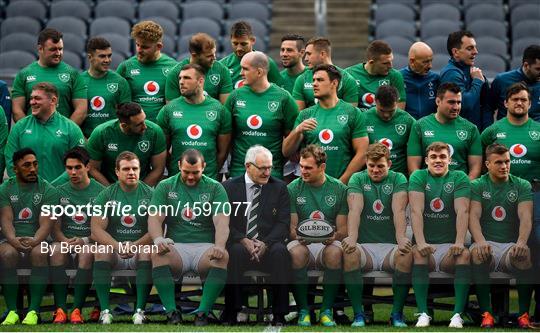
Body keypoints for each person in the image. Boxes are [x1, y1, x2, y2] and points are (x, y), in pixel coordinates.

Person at [148, 149, 230, 325]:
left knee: (222, 257)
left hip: (205, 247)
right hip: (176, 246)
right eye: (186, 172)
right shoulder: (166, 186)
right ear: (178, 166)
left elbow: (222, 221)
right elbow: (155, 217)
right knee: (157, 253)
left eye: (196, 172)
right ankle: (171, 312)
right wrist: (158, 239)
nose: (191, 177)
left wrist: (220, 245)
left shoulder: (215, 187)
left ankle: (202, 312)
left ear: (204, 167)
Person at [343, 143, 412, 327]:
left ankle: (396, 314)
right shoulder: (357, 178)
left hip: (390, 247)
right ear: (365, 162)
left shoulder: (399, 179)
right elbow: (355, 210)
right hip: (364, 247)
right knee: (349, 252)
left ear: (389, 163)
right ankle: (359, 315)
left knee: (405, 253)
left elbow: (398, 211)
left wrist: (401, 239)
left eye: (380, 166)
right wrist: (351, 237)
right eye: (371, 165)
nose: (375, 170)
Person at [221, 145, 291, 326]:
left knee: (280, 253)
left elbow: (283, 223)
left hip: (268, 243)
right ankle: (233, 311)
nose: (267, 172)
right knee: (234, 252)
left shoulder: (280, 187)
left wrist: (265, 243)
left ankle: (279, 314)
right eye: (262, 168)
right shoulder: (228, 187)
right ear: (248, 166)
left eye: (269, 168)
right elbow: (223, 222)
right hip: (239, 241)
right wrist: (242, 239)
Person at [469, 143, 534, 328]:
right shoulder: (478, 185)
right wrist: (480, 242)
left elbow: (526, 217)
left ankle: (523, 315)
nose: (504, 166)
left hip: (509, 246)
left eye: (507, 161)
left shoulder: (521, 184)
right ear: (487, 164)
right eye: (498, 162)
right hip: (485, 243)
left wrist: (522, 243)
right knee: (478, 255)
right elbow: (473, 217)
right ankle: (486, 314)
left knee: (524, 256)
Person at [409, 142, 471, 328]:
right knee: (418, 253)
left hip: (449, 247)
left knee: (465, 255)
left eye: (443, 157)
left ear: (450, 160)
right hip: (426, 244)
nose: (438, 160)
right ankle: (423, 314)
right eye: (434, 157)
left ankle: (457, 315)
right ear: (426, 160)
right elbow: (415, 211)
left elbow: (463, 211)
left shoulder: (459, 177)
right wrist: (420, 243)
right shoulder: (419, 176)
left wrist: (460, 242)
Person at [287, 144, 348, 327]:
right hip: (301, 242)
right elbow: (291, 228)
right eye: (301, 166)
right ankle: (304, 310)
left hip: (329, 242)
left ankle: (326, 310)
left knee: (335, 253)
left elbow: (344, 229)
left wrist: (334, 237)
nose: (302, 171)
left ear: (322, 167)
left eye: (308, 168)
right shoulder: (292, 188)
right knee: (296, 253)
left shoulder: (339, 189)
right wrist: (297, 237)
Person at [90, 152, 155, 324]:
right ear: (117, 172)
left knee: (147, 252)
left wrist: (135, 245)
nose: (131, 172)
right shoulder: (107, 195)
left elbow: (157, 229)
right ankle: (105, 311)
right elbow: (96, 230)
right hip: (115, 250)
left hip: (139, 248)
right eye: (126, 169)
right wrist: (117, 246)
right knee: (101, 251)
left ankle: (139, 311)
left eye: (135, 168)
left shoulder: (151, 194)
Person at [0, 149, 58, 325]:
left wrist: (35, 241)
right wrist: (12, 240)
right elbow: (6, 220)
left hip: (38, 238)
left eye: (35, 164)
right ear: (15, 168)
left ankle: (33, 311)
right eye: (26, 165)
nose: (32, 169)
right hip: (11, 239)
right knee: (7, 254)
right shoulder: (6, 188)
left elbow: (46, 224)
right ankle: (12, 311)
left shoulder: (47, 189)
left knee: (39, 253)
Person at [283, 64, 368, 184]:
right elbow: (286, 151)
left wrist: (341, 183)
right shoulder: (305, 115)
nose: (314, 84)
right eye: (313, 80)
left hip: (342, 185)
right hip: (310, 187)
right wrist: (297, 130)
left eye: (320, 80)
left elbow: (362, 153)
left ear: (334, 83)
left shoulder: (352, 113)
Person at [48, 147, 105, 324]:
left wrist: (84, 240)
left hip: (90, 242)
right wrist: (64, 240)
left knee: (87, 252)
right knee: (56, 250)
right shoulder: (58, 192)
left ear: (88, 167)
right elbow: (54, 226)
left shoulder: (101, 192)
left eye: (78, 167)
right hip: (66, 241)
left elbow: (103, 230)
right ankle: (60, 309)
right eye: (69, 168)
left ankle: (77, 310)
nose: (73, 172)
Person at [225, 51, 298, 178]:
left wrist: (276, 163)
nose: (240, 73)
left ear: (259, 72)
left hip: (271, 175)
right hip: (239, 173)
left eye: (245, 69)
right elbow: (225, 137)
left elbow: (292, 140)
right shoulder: (235, 96)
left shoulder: (283, 98)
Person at [157, 64, 231, 180]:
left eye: (187, 78)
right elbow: (162, 150)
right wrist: (175, 169)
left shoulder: (220, 110)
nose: (181, 82)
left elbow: (223, 152)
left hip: (208, 180)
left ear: (200, 81)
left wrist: (211, 171)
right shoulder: (168, 110)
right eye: (180, 78)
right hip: (177, 180)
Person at [5, 82, 85, 182]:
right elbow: (10, 161)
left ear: (53, 100)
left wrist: (52, 189)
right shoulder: (19, 127)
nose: (32, 102)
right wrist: (24, 185)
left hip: (61, 193)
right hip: (27, 193)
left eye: (37, 98)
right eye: (31, 98)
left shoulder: (71, 128)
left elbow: (79, 163)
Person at [407, 82, 482, 180]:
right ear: (438, 101)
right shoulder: (420, 126)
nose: (456, 107)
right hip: (428, 187)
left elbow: (475, 169)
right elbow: (413, 168)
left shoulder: (471, 129)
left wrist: (463, 188)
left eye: (458, 102)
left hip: (459, 189)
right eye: (451, 102)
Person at [11, 28, 87, 124]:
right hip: (32, 136)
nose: (58, 53)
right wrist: (29, 130)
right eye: (53, 49)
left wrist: (66, 131)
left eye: (60, 49)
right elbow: (17, 111)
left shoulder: (73, 74)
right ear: (40, 49)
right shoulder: (23, 75)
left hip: (63, 135)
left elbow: (81, 111)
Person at [87, 102, 166, 186]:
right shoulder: (101, 133)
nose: (145, 126)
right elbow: (93, 168)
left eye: (144, 120)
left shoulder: (155, 132)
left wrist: (141, 192)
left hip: (143, 184)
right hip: (110, 184)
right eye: (139, 124)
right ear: (124, 126)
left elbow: (158, 169)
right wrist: (110, 191)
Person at [117, 20, 177, 122]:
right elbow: (116, 102)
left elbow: (175, 106)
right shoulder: (125, 67)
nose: (139, 50)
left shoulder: (173, 67)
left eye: (145, 47)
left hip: (161, 130)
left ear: (159, 47)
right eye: (137, 44)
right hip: (133, 129)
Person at [481, 82, 540, 183]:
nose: (519, 103)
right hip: (501, 190)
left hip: (535, 191)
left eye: (523, 100)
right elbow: (479, 162)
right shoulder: (492, 131)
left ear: (530, 104)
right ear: (506, 103)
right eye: (515, 99)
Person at [439, 30, 492, 130]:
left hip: (476, 134)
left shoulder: (474, 72)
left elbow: (487, 107)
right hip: (458, 134)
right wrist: (477, 82)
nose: (476, 52)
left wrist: (486, 132)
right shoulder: (450, 73)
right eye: (470, 48)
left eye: (475, 47)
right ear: (455, 52)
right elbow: (465, 105)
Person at [81, 37, 131, 138]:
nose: (107, 60)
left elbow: (126, 117)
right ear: (90, 57)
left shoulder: (120, 82)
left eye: (109, 56)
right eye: (102, 56)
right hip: (85, 139)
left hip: (113, 139)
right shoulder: (78, 81)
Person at [292, 37, 358, 110]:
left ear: (322, 54)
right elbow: (298, 116)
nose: (306, 59)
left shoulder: (347, 80)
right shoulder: (302, 79)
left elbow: (351, 115)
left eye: (309, 54)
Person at [166, 33, 232, 104]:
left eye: (214, 53)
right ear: (194, 55)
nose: (214, 58)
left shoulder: (222, 71)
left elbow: (225, 108)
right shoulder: (176, 73)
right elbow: (172, 109)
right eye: (209, 56)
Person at [364, 85, 415, 176]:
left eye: (391, 111)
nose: (386, 115)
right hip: (371, 177)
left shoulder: (408, 121)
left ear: (397, 102)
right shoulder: (363, 119)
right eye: (382, 111)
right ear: (375, 101)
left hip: (399, 179)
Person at [345, 40, 406, 111]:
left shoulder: (395, 76)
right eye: (385, 63)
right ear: (371, 62)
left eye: (391, 61)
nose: (390, 66)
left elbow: (400, 110)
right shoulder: (350, 74)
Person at [219, 21, 283, 89]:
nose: (239, 48)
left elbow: (278, 92)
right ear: (230, 40)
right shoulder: (222, 65)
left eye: (243, 44)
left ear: (253, 40)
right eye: (235, 43)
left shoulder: (267, 63)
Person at [279, 34, 306, 182]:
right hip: (284, 148)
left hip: (307, 147)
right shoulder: (276, 79)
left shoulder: (312, 78)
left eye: (289, 50)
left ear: (302, 53)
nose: (284, 54)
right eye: (282, 50)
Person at [490, 44, 540, 120]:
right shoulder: (502, 80)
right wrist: (489, 128)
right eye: (538, 69)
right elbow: (488, 108)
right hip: (507, 130)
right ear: (526, 65)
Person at [400, 41, 440, 119]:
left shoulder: (436, 79)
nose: (430, 66)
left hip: (430, 128)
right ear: (412, 61)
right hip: (408, 127)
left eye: (431, 61)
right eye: (425, 62)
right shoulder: (399, 78)